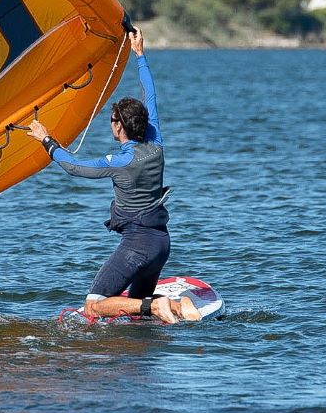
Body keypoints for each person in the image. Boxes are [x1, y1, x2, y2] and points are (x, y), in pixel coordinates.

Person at [28, 27, 199, 323]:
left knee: (94, 304)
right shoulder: (156, 144)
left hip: (138, 244)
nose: (110, 125)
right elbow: (152, 95)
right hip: (161, 243)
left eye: (111, 121)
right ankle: (177, 306)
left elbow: (73, 166)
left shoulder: (119, 161)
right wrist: (140, 55)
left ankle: (158, 306)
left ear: (119, 126)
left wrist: (47, 140)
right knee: (133, 307)